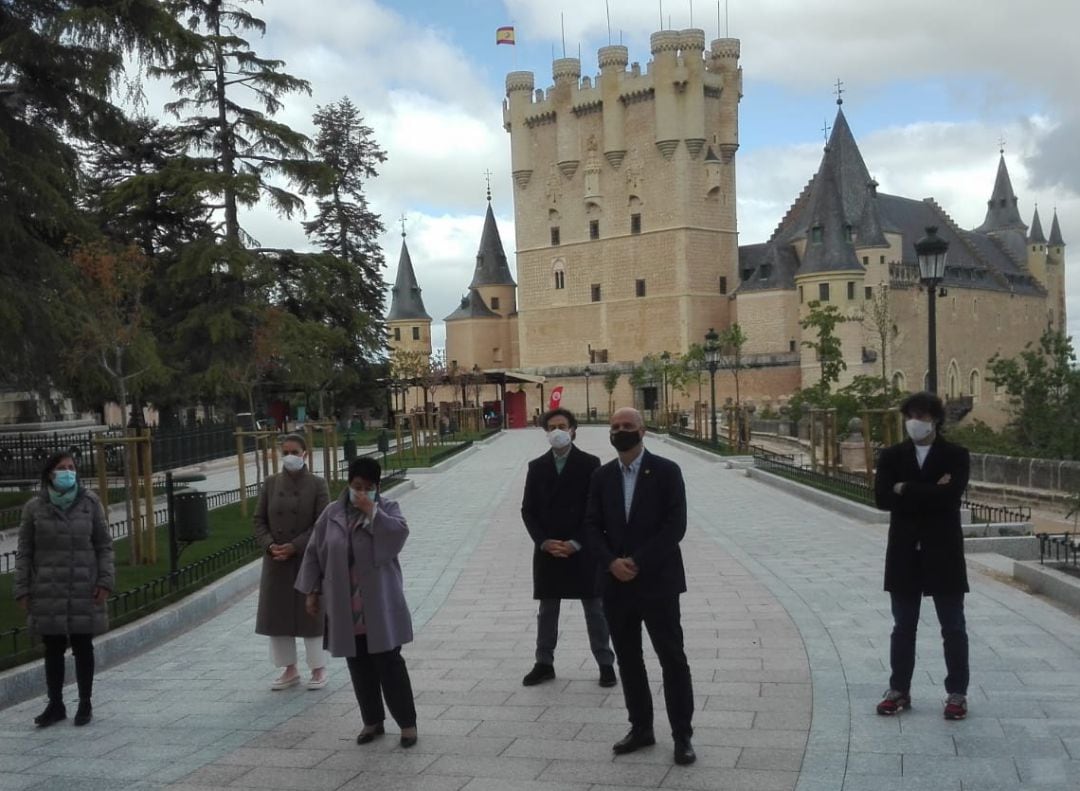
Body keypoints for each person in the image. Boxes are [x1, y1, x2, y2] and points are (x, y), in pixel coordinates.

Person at [583, 407, 696, 766]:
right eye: (615, 427)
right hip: (616, 585)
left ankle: (682, 736)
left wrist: (638, 561)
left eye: (627, 426)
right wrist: (611, 562)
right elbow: (590, 526)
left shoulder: (666, 472)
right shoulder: (601, 476)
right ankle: (641, 728)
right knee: (629, 661)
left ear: (642, 431)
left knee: (672, 659)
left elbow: (675, 525)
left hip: (658, 582)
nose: (620, 431)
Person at [296, 457, 418, 748]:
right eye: (356, 486)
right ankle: (372, 721)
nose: (361, 493)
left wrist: (373, 513)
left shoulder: (388, 509)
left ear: (377, 487)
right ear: (348, 484)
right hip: (345, 606)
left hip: (379, 604)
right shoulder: (332, 514)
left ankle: (407, 724)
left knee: (389, 664)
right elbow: (314, 552)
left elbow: (398, 535)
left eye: (368, 487)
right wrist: (312, 590)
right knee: (359, 665)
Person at [874, 391, 971, 721]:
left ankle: (957, 692)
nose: (916, 421)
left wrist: (906, 489)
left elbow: (951, 497)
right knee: (903, 626)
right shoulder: (891, 456)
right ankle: (899, 689)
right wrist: (931, 489)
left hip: (943, 550)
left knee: (953, 626)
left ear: (936, 420)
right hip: (904, 551)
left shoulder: (956, 456)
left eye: (923, 416)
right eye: (911, 415)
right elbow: (882, 499)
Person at [14, 452, 115, 728]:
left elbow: (104, 546)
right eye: (62, 468)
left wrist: (105, 581)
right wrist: (22, 589)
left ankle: (85, 703)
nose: (68, 472)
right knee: (53, 647)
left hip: (84, 585)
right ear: (50, 473)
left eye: (71, 468)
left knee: (83, 645)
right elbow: (24, 552)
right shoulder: (34, 508)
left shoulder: (89, 503)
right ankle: (55, 704)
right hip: (48, 588)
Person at [520, 407, 616, 688]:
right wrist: (544, 541)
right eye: (551, 427)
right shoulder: (536, 467)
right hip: (549, 549)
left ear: (574, 429)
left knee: (594, 608)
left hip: (582, 548)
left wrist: (577, 542)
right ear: (545, 432)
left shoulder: (590, 463)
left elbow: (595, 508)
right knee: (548, 609)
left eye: (562, 425)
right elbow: (528, 510)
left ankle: (605, 663)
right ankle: (544, 662)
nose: (557, 431)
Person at [253, 433, 330, 690]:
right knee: (278, 617)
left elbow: (322, 524)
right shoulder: (271, 483)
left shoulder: (318, 485)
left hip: (306, 559)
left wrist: (295, 546)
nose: (290, 457)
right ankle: (289, 669)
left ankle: (318, 669)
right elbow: (258, 520)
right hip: (276, 561)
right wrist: (270, 545)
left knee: (311, 615)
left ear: (305, 454)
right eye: (285, 452)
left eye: (295, 452)